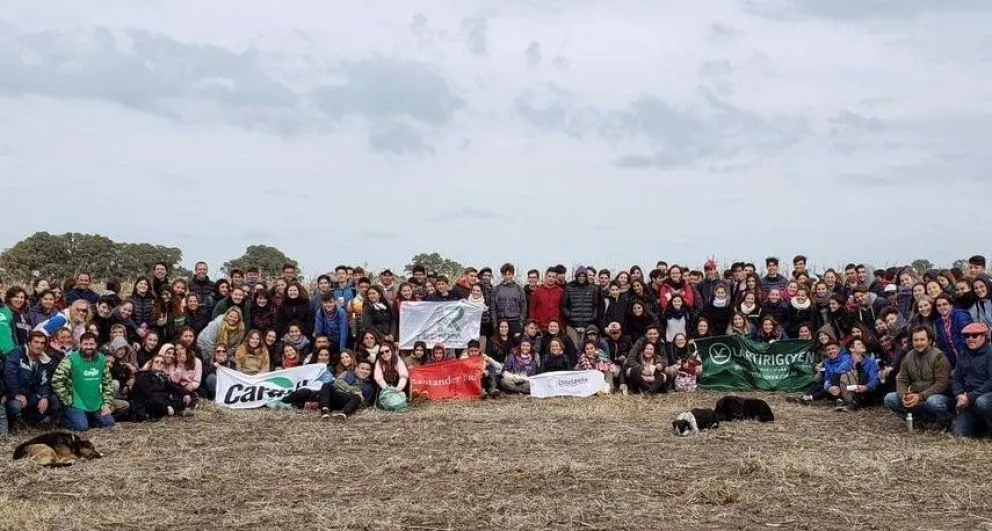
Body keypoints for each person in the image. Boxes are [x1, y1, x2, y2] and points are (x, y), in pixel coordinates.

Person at [883, 326, 952, 429]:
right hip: (916, 397)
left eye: (922, 339)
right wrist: (904, 396)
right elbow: (902, 379)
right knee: (890, 398)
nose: (919, 343)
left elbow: (942, 384)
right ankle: (918, 422)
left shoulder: (939, 357)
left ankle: (945, 422)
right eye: (916, 340)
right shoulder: (908, 356)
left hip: (937, 396)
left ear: (929, 340)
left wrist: (920, 396)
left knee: (934, 402)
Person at [51, 332, 116, 431]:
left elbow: (107, 383)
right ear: (80, 344)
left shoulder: (102, 359)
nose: (88, 347)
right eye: (85, 344)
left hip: (95, 402)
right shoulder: (70, 359)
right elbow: (56, 381)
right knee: (82, 427)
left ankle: (88, 418)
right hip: (76, 403)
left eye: (91, 344)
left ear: (96, 345)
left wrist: (106, 404)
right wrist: (68, 399)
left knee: (110, 423)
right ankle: (62, 419)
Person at [4, 331, 59, 429]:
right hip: (13, 395)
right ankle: (15, 423)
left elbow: (45, 382)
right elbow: (9, 374)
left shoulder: (44, 360)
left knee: (53, 400)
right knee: (16, 406)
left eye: (42, 343)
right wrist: (16, 393)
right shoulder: (17, 353)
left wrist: (44, 396)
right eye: (36, 342)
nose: (39, 346)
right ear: (29, 343)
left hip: (31, 395)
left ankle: (30, 422)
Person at [950, 322, 992, 438]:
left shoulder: (990, 353)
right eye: (967, 336)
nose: (970, 339)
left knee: (982, 403)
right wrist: (959, 395)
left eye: (974, 335)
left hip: (985, 395)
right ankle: (978, 427)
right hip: (968, 398)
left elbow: (991, 382)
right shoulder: (963, 353)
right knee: (959, 434)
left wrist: (970, 397)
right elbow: (956, 378)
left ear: (984, 336)